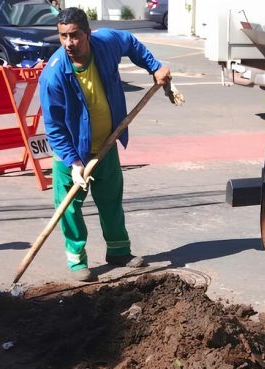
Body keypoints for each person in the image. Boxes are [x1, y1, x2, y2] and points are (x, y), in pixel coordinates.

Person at [39, 7, 170, 282]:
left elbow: (131, 43)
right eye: (63, 36)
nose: (68, 43)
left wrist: (154, 66)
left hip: (106, 144)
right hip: (72, 153)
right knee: (69, 207)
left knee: (111, 200)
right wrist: (73, 163)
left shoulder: (106, 43)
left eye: (74, 35)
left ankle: (119, 251)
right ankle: (77, 261)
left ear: (88, 33)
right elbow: (54, 127)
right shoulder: (54, 75)